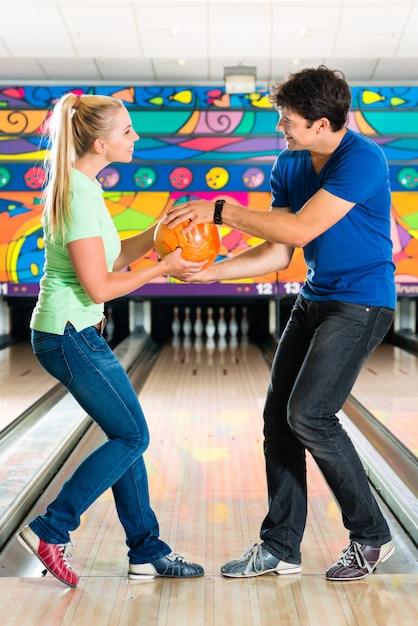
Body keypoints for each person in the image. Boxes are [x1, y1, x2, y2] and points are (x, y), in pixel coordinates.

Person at [164, 66, 396, 581]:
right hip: (313, 298)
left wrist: (219, 211)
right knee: (279, 420)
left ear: (321, 124)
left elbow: (303, 225)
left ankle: (372, 537)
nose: (281, 128)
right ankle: (280, 547)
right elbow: (277, 253)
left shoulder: (362, 158)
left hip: (361, 303)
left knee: (310, 415)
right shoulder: (290, 164)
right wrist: (210, 276)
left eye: (289, 120)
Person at [16, 92, 205, 588]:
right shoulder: (78, 196)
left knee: (126, 439)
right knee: (132, 436)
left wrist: (158, 233)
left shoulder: (83, 186)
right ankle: (54, 528)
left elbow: (112, 260)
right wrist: (165, 267)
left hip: (74, 333)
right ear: (100, 143)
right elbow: (99, 286)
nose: (136, 137)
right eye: (127, 131)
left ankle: (146, 552)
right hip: (69, 336)